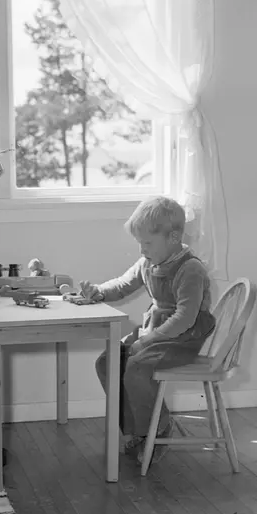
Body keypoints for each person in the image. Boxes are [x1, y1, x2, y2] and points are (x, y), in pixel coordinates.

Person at [80, 196, 216, 465]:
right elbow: (122, 285)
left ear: (174, 237)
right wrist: (98, 292)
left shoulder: (191, 269)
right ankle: (137, 430)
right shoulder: (149, 262)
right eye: (140, 243)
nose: (142, 250)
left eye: (148, 243)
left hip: (183, 338)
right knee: (107, 362)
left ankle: (159, 427)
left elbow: (184, 318)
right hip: (156, 331)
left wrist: (148, 340)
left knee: (137, 368)